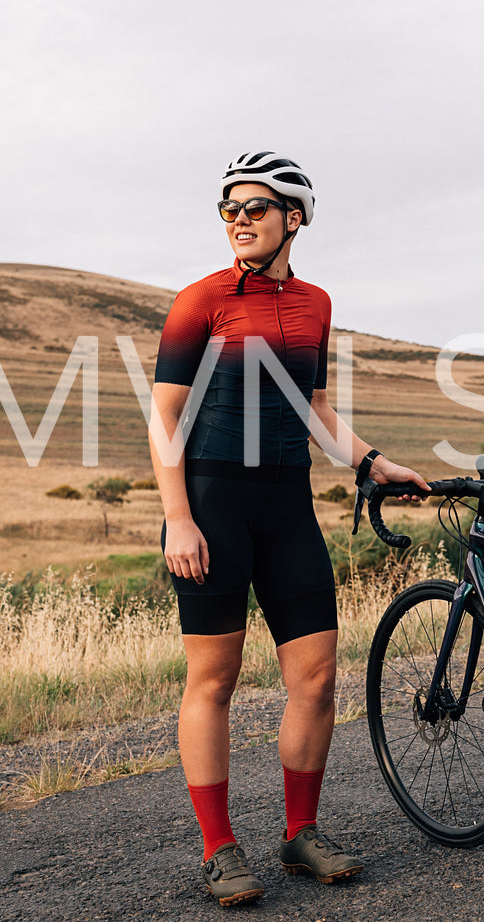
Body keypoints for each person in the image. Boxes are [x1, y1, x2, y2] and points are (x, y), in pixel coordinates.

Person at [148, 151, 428, 907]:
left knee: (315, 677)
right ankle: (219, 850)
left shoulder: (315, 304)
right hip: (211, 501)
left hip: (287, 503)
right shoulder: (199, 300)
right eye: (228, 208)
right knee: (214, 681)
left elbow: (312, 406)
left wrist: (372, 461)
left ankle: (299, 832)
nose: (238, 219)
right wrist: (178, 517)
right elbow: (164, 415)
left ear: (293, 219)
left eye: (255, 207)